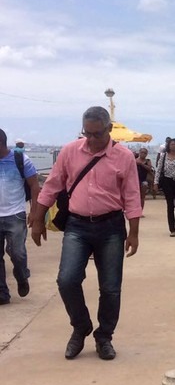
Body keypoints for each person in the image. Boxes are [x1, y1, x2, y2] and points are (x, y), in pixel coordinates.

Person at [30, 106, 141, 360]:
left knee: (111, 287)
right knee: (67, 280)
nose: (90, 139)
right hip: (77, 226)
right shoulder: (70, 152)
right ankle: (80, 327)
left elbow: (133, 196)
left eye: (96, 134)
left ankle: (104, 337)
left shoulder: (124, 157)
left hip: (111, 227)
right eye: (86, 133)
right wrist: (37, 218)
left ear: (109, 130)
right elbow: (52, 186)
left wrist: (133, 233)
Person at [0, 129, 40, 305]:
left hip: (15, 214)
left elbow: (34, 186)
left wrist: (34, 212)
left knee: (17, 253)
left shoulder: (20, 160)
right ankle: (2, 293)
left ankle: (22, 275)